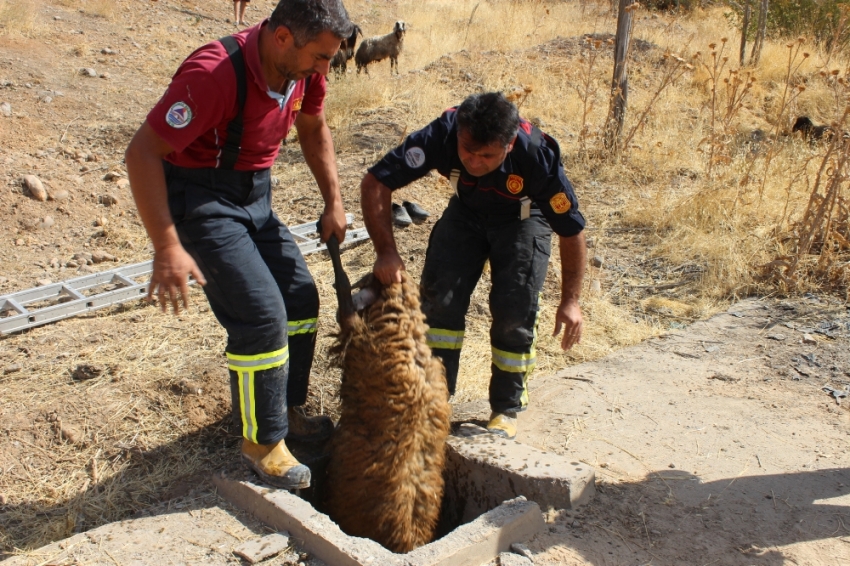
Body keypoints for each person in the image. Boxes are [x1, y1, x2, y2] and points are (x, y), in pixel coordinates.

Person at [125, 0, 353, 490]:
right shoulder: (214, 74)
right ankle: (262, 442)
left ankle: (283, 410)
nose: (325, 68)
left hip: (256, 191)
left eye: (330, 59)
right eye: (321, 57)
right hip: (201, 197)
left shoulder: (306, 70)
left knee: (299, 300)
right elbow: (142, 151)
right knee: (261, 313)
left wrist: (333, 200)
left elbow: (313, 129)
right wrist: (167, 245)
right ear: (283, 38)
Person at [360, 92, 586, 440]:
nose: (474, 162)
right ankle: (435, 399)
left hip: (523, 216)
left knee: (515, 309)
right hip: (466, 211)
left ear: (509, 145)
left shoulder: (536, 154)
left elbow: (571, 230)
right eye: (467, 151)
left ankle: (506, 407)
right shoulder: (443, 133)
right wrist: (386, 252)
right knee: (439, 304)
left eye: (487, 155)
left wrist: (570, 300)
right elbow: (376, 181)